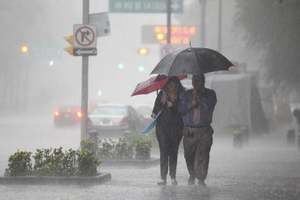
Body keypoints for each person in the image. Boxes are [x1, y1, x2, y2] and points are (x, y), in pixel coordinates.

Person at [178, 74, 217, 186]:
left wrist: (199, 100)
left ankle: (201, 178)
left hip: (204, 130)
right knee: (188, 155)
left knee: (203, 154)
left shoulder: (210, 94)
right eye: (195, 81)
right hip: (189, 130)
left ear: (203, 82)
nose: (196, 83)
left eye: (199, 81)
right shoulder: (186, 94)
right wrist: (192, 104)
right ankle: (192, 174)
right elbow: (181, 110)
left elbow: (210, 106)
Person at [152, 77, 184, 185]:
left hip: (176, 128)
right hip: (162, 128)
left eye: (174, 84)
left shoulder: (181, 95)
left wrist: (173, 106)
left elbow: (184, 110)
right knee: (164, 151)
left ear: (177, 85)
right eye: (170, 84)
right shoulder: (162, 94)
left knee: (173, 152)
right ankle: (163, 177)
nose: (172, 86)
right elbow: (155, 110)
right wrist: (158, 107)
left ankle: (173, 177)